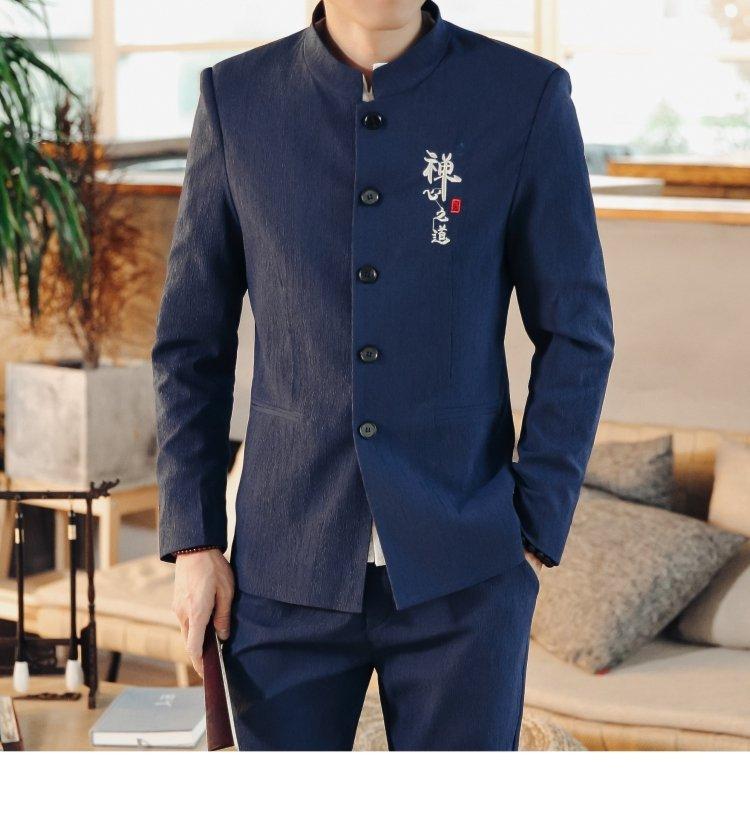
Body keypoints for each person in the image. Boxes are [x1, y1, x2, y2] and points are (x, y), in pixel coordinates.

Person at [152, 0, 614, 751]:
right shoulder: (237, 98)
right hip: (281, 567)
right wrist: (194, 539)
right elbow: (190, 345)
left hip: (465, 571)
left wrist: (531, 525)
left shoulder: (523, 95)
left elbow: (578, 333)